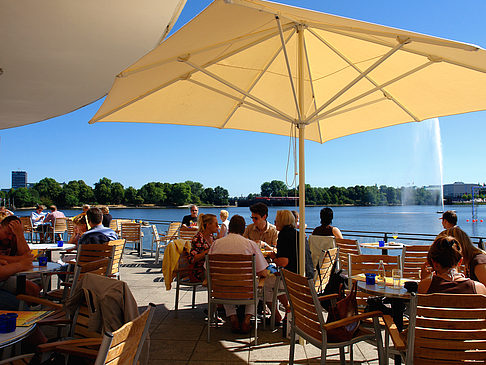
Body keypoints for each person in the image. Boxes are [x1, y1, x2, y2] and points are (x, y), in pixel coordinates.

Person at [209, 215, 267, 333]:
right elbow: (262, 272)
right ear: (243, 229)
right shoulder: (250, 244)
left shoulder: (216, 244)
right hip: (245, 291)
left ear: (229, 228)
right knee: (256, 285)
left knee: (224, 281)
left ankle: (233, 318)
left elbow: (208, 269)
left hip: (222, 291)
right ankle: (246, 320)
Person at [264, 210, 313, 324]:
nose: (275, 223)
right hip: (308, 275)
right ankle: (288, 309)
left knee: (264, 283)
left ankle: (276, 315)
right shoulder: (297, 234)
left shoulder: (283, 235)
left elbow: (283, 262)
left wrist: (273, 258)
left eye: (276, 221)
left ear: (281, 222)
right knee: (274, 279)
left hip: (295, 280)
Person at [418, 235, 486, 294]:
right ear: (460, 261)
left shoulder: (424, 287)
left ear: (434, 263)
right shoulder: (478, 289)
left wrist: (425, 279)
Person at [0, 216, 39, 300]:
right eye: (8, 233)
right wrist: (20, 261)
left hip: (9, 274)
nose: (10, 237)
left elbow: (27, 256)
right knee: (30, 289)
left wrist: (19, 235)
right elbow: (25, 259)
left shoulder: (14, 238)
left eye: (13, 235)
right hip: (4, 276)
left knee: (41, 280)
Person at [188, 214, 218, 282]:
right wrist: (207, 252)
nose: (217, 226)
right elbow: (192, 259)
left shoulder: (212, 237)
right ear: (208, 225)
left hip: (211, 269)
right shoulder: (198, 238)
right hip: (200, 271)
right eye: (215, 223)